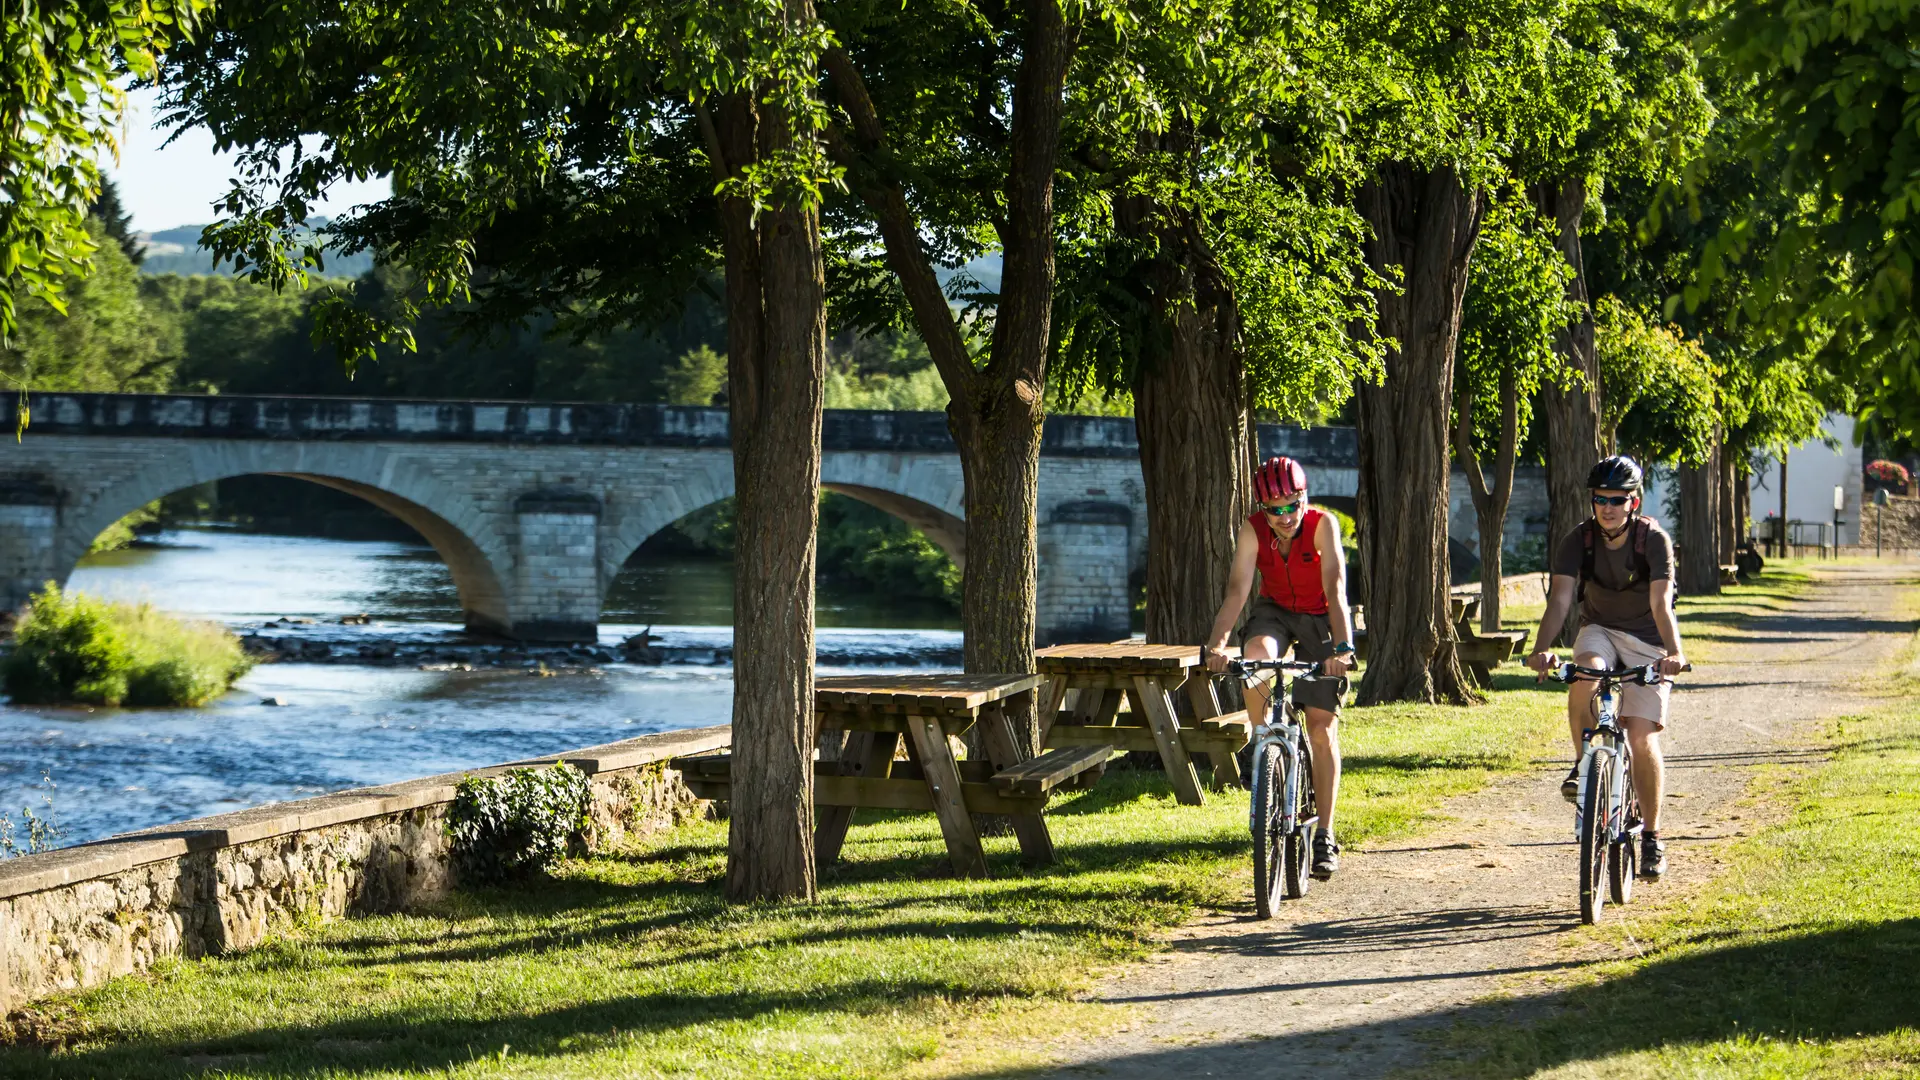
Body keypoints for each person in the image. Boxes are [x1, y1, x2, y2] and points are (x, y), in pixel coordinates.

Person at [1526, 455, 1689, 879]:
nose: (1608, 507)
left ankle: (1651, 838)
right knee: (1585, 672)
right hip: (1599, 628)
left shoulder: (1653, 540)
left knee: (1639, 736)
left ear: (1633, 502)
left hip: (1649, 639)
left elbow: (1660, 602)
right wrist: (1541, 649)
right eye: (1600, 499)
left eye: (1617, 499)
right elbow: (1560, 600)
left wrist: (1674, 653)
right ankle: (1584, 766)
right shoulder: (1577, 541)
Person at [1203, 456, 1357, 879]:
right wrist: (1218, 643)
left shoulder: (1322, 525)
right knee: (1253, 657)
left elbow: (1337, 588)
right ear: (1262, 508)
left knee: (1322, 730)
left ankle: (1324, 832)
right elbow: (1238, 591)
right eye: (1276, 508)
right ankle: (1264, 742)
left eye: (1294, 504)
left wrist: (1342, 648)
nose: (1286, 516)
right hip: (1274, 611)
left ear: (1304, 497)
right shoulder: (1253, 529)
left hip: (1321, 619)